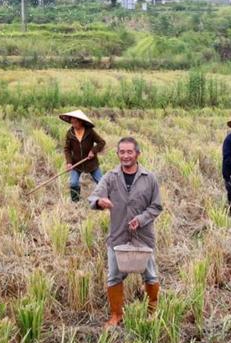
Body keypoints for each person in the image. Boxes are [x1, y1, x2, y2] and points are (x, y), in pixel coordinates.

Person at [88, 137, 163, 326]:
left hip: (143, 237)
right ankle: (116, 315)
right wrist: (99, 202)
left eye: (130, 152)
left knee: (151, 275)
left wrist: (141, 219)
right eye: (122, 152)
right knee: (114, 276)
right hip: (118, 236)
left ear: (137, 154)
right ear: (117, 154)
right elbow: (95, 196)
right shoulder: (110, 177)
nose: (126, 156)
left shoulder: (149, 178)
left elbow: (156, 206)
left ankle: (152, 311)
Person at [60, 109, 106, 202]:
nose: (74, 125)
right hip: (76, 163)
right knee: (73, 183)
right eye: (72, 122)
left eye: (75, 122)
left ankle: (105, 200)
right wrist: (69, 163)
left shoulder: (90, 132)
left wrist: (93, 151)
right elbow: (67, 149)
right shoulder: (70, 134)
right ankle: (75, 203)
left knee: (101, 182)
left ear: (81, 122)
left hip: (91, 162)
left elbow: (101, 142)